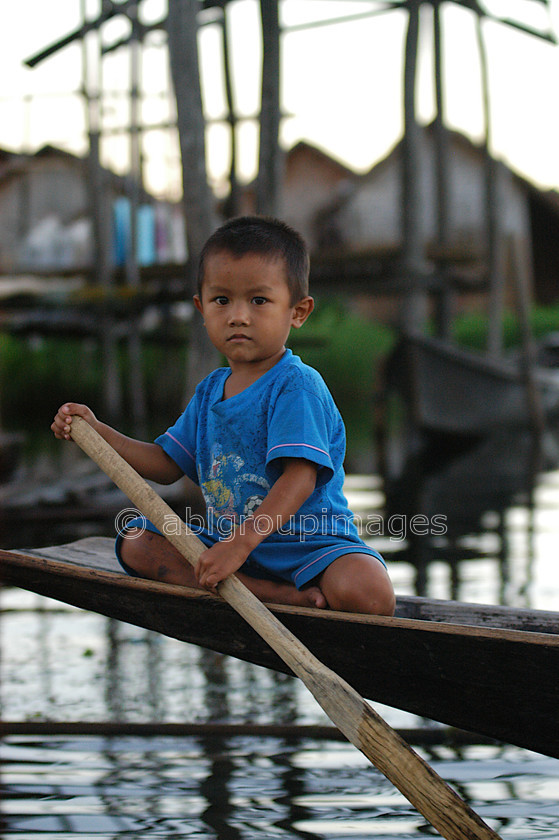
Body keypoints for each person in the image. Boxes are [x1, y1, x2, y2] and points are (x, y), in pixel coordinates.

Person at [52, 216, 395, 616]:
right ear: (201, 308)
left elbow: (299, 478)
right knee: (136, 541)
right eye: (222, 300)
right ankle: (273, 595)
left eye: (259, 301)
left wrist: (241, 543)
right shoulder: (210, 392)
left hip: (309, 547)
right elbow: (165, 466)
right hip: (232, 550)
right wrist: (98, 432)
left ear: (297, 311)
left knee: (369, 592)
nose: (238, 316)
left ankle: (271, 586)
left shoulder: (295, 386)